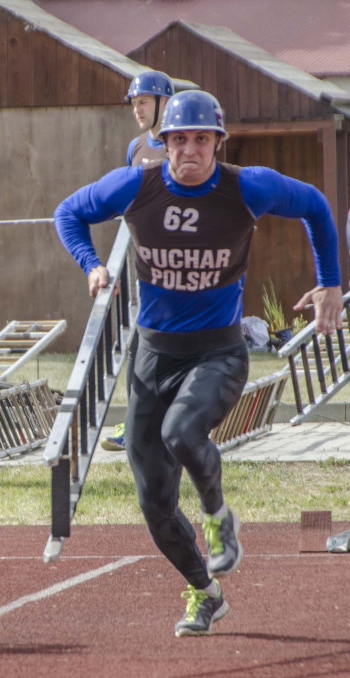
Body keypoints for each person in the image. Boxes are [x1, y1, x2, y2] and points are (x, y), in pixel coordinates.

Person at [54, 90, 342, 637]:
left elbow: (314, 206)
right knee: (153, 503)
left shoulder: (245, 186)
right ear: (162, 143)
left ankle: (219, 520)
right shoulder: (137, 186)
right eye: (179, 139)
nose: (190, 150)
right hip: (153, 356)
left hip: (218, 351)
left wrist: (330, 282)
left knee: (182, 432)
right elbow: (68, 213)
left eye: (201, 140)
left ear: (217, 142)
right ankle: (205, 593)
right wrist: (91, 264)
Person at [103, 70, 176, 452]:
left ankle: (174, 423)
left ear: (165, 102)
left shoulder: (179, 144)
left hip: (180, 267)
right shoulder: (134, 149)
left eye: (144, 102)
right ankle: (136, 423)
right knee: (138, 345)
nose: (137, 110)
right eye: (134, 104)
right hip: (142, 266)